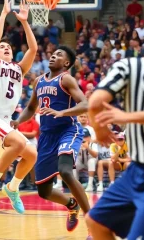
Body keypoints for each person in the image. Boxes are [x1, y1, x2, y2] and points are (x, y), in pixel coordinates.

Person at [85, 8, 144, 240]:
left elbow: (95, 101)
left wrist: (105, 126)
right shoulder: (130, 66)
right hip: (136, 171)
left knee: (95, 223)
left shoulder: (128, 65)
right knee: (95, 219)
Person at [12, 46, 91, 238]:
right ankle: (71, 205)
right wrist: (18, 121)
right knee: (44, 191)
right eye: (53, 53)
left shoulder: (66, 79)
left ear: (66, 63)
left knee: (65, 171)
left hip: (67, 130)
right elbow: (31, 108)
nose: (54, 56)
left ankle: (93, 224)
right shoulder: (38, 81)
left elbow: (85, 104)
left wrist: (62, 112)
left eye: (59, 55)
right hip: (47, 137)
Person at [0, 0, 37, 214]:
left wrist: (24, 22)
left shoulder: (20, 69)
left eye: (8, 47)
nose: (5, 48)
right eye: (2, 47)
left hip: (3, 122)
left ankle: (12, 187)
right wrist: (3, 14)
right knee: (20, 143)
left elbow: (33, 48)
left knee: (31, 155)